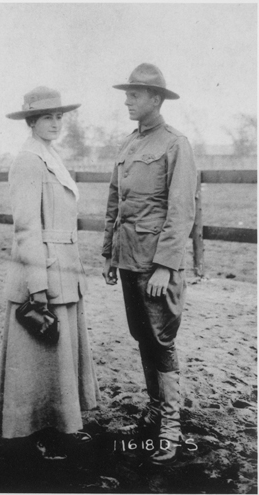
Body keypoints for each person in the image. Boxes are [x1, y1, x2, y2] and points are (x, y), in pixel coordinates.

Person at [0, 86, 100, 460]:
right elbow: (26, 229)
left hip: (62, 266)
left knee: (56, 355)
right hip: (42, 270)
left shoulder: (50, 155)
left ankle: (58, 426)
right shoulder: (28, 160)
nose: (55, 123)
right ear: (32, 121)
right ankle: (25, 433)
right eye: (47, 117)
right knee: (37, 354)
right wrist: (37, 288)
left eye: (59, 117)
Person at [102, 63, 197, 465]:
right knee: (142, 337)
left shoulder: (176, 144)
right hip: (128, 259)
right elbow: (114, 202)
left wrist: (165, 266)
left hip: (156, 265)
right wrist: (109, 252)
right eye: (127, 94)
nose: (127, 101)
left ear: (155, 99)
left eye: (134, 95)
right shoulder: (128, 144)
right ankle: (156, 411)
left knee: (161, 339)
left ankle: (171, 428)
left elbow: (181, 211)